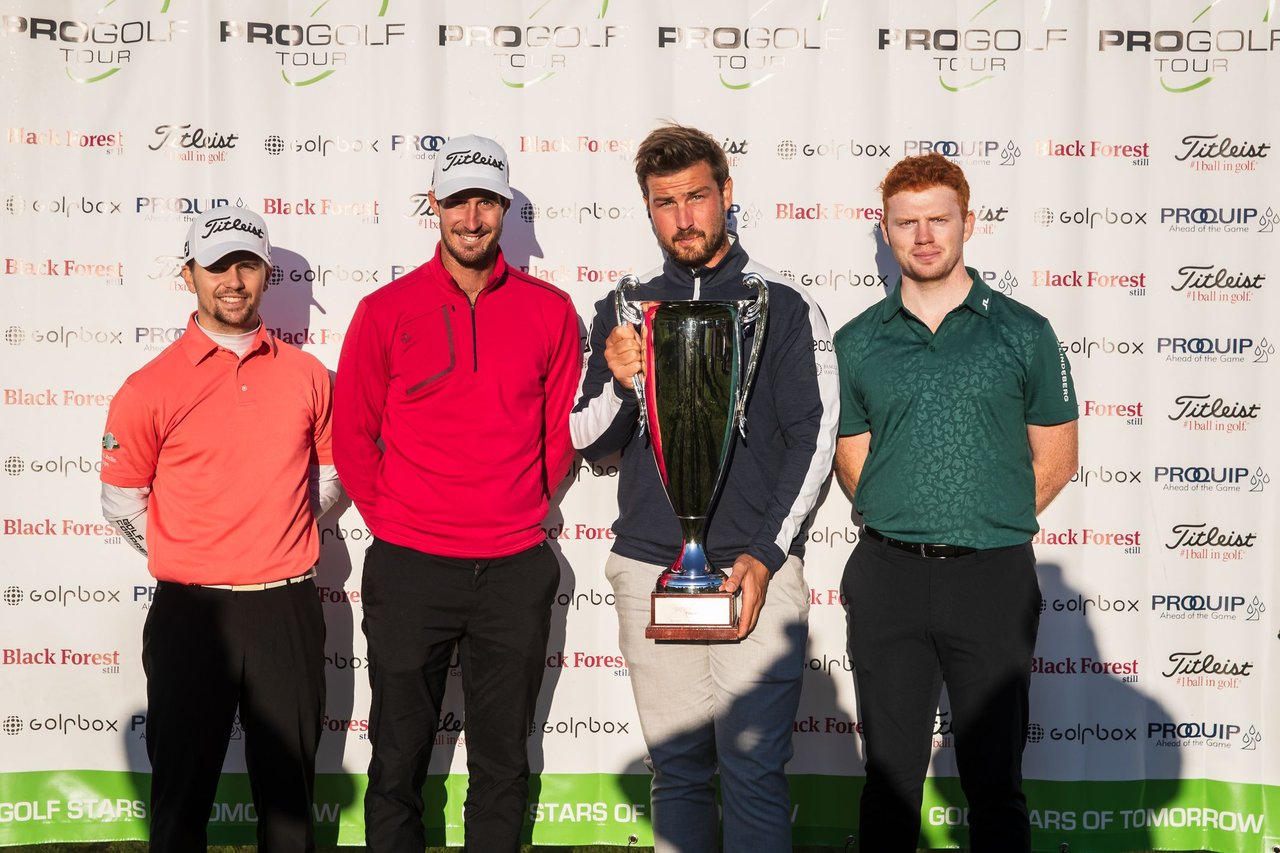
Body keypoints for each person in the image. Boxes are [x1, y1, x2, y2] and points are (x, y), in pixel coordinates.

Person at [570, 123, 839, 853]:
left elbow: (811, 438)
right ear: (648, 210)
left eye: (696, 196)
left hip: (756, 568)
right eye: (665, 202)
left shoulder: (781, 307)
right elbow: (589, 440)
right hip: (652, 563)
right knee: (679, 768)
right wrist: (625, 380)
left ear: (726, 194)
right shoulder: (621, 309)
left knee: (752, 768)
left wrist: (763, 552)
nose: (683, 217)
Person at [332, 134, 581, 853]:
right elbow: (353, 437)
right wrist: (399, 522)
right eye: (458, 200)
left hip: (513, 568)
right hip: (411, 568)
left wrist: (521, 509)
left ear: (504, 207)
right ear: (433, 204)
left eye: (486, 201)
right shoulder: (385, 310)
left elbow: (557, 433)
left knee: (502, 761)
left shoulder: (550, 310)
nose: (471, 217)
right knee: (397, 757)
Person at [832, 152, 1079, 852]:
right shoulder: (857, 342)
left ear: (968, 221)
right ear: (885, 231)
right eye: (906, 223)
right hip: (889, 578)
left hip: (992, 577)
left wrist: (978, 518)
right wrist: (914, 515)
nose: (924, 235)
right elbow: (856, 465)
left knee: (994, 780)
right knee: (888, 779)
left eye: (939, 218)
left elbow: (1057, 460)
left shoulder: (1024, 332)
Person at [100, 206, 341, 852]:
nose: (233, 280)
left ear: (265, 274)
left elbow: (332, 476)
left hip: (285, 606)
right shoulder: (147, 387)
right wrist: (193, 548)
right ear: (190, 276)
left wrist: (274, 531)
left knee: (289, 806)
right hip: (191, 610)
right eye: (216, 267)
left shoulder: (310, 376)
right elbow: (123, 501)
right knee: (180, 801)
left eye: (247, 264)